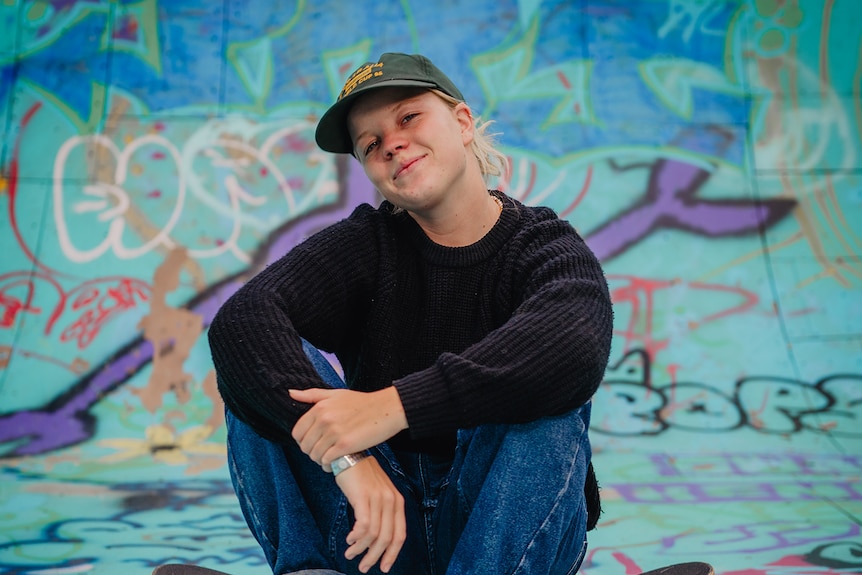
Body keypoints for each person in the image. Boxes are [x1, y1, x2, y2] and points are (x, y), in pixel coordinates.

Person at [207, 52, 614, 575]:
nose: (392, 143)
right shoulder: (366, 246)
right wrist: (347, 458)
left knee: (547, 387)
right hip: (376, 535)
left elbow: (573, 345)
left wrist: (390, 407)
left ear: (463, 122)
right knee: (262, 366)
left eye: (408, 118)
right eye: (371, 144)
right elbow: (242, 323)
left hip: (500, 542)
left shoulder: (543, 247)